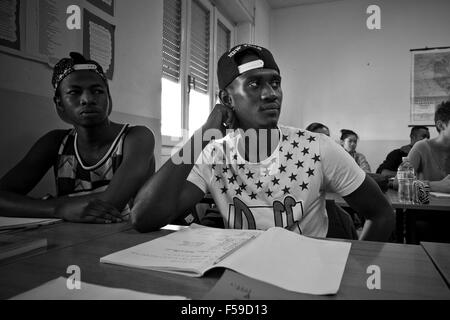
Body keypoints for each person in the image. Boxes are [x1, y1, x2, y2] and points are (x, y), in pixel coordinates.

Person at [131, 44, 394, 241]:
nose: (271, 94)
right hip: (241, 278)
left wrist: (353, 274)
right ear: (227, 98)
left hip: (309, 278)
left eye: (275, 83)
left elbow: (382, 214)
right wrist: (202, 135)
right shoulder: (214, 153)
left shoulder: (317, 148)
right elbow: (144, 217)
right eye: (254, 84)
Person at [0, 52, 155, 223]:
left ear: (108, 98)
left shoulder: (136, 138)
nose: (88, 99)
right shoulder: (55, 143)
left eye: (97, 91)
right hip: (70, 243)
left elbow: (110, 204)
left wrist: (54, 206)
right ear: (60, 104)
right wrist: (58, 209)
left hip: (127, 243)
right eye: (74, 92)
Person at [406, 101, 450, 243]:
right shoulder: (421, 147)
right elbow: (400, 183)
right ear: (441, 125)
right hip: (427, 213)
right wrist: (434, 186)